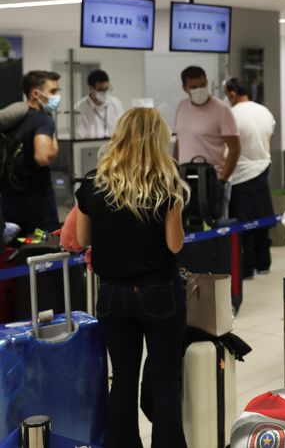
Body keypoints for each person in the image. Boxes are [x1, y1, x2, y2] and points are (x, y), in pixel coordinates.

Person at [75, 107, 189, 448]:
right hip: (159, 293)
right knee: (166, 382)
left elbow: (82, 240)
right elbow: (174, 244)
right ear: (158, 139)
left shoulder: (93, 182)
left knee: (122, 380)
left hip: (113, 295)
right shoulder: (167, 182)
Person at [225, 78, 276, 277]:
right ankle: (264, 264)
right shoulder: (265, 111)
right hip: (263, 169)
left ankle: (246, 268)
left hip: (241, 174)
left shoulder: (231, 114)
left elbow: (230, 147)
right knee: (262, 221)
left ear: (232, 93)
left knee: (243, 225)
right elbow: (268, 141)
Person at [0, 71, 62, 235]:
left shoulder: (11, 119)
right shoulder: (43, 119)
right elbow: (42, 157)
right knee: (44, 252)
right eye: (53, 91)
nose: (57, 96)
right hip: (38, 201)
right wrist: (54, 148)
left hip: (8, 198)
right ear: (35, 93)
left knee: (13, 251)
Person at [173, 66, 240, 203]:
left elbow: (235, 148)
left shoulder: (221, 110)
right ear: (185, 88)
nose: (199, 89)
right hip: (186, 178)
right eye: (193, 87)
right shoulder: (182, 106)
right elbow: (180, 141)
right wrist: (175, 171)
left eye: (202, 85)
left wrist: (222, 180)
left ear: (207, 82)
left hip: (213, 179)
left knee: (215, 222)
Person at [74, 69, 124, 139]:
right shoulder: (79, 108)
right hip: (91, 147)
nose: (105, 93)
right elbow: (80, 137)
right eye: (100, 90)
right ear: (90, 88)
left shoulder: (116, 103)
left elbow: (123, 129)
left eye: (107, 89)